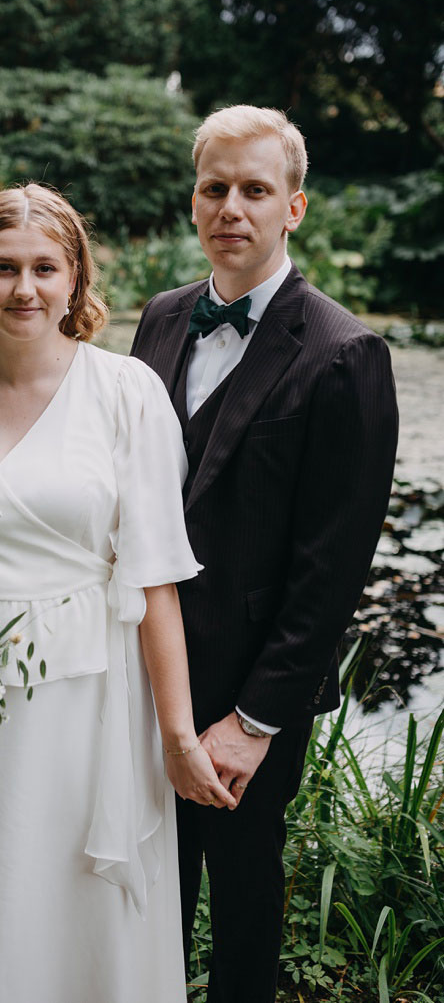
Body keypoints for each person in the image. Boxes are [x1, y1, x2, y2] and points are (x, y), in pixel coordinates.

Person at [0, 184, 233, 1003]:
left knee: (66, 908)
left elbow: (155, 582)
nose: (23, 289)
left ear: (75, 281)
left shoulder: (128, 394)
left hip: (87, 704)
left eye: (43, 268)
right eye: (2, 269)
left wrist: (176, 737)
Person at [130, 106, 398, 1003]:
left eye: (255, 189)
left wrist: (251, 723)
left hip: (248, 696)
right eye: (215, 188)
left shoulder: (344, 353)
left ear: (296, 207)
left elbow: (333, 571)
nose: (231, 207)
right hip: (137, 675)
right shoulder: (161, 321)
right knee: (138, 893)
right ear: (193, 201)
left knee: (243, 907)